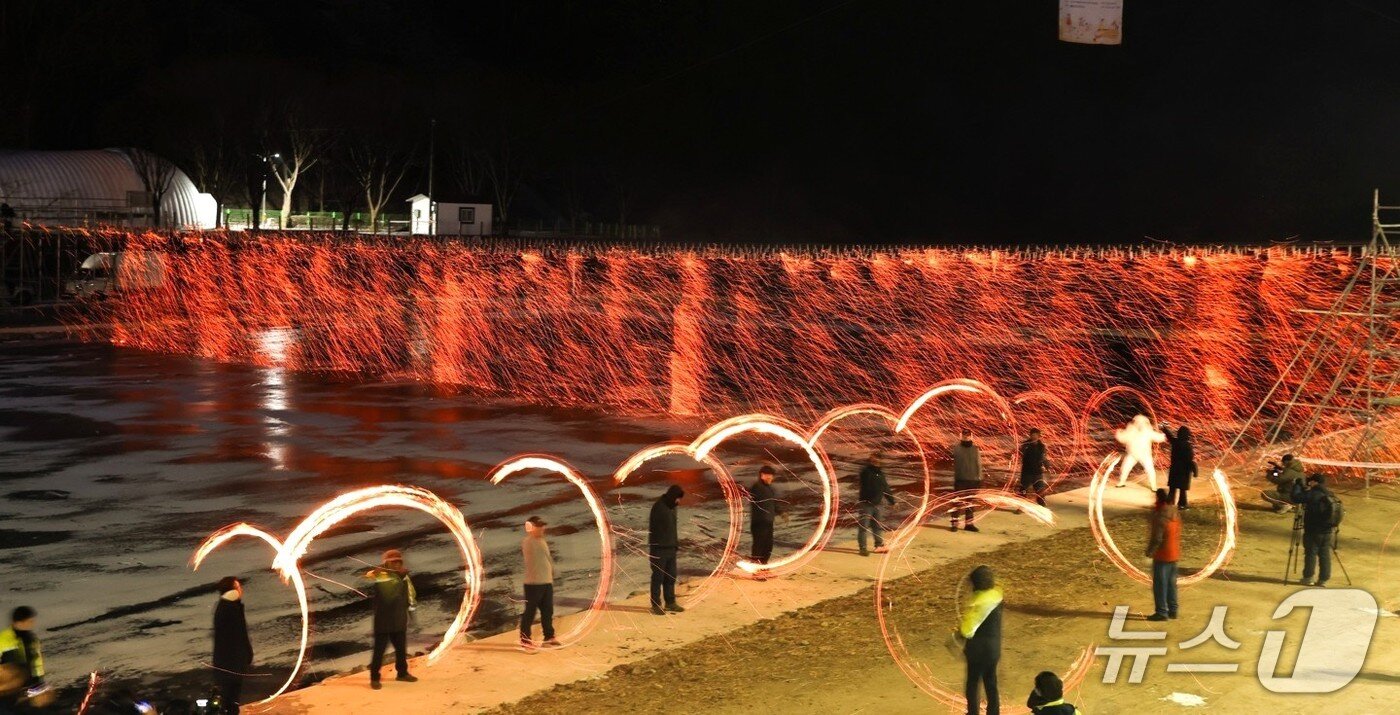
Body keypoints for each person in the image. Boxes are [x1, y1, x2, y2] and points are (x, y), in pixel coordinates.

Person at [363, 549, 418, 689]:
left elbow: (411, 597)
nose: (397, 564)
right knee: (379, 651)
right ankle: (374, 678)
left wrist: (412, 617)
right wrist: (377, 571)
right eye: (393, 562)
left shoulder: (405, 577)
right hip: (383, 621)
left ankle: (402, 673)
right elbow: (368, 576)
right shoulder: (381, 576)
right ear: (387, 563)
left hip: (399, 619)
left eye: (399, 561)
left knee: (401, 650)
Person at [955, 565, 1002, 715]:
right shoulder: (997, 596)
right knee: (991, 682)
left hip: (977, 651)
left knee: (973, 684)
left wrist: (959, 631)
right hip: (994, 649)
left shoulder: (978, 603)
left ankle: (973, 713)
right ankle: (994, 712)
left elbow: (968, 630)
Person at [211, 577, 253, 714]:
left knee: (231, 700)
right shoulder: (228, 609)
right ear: (233, 589)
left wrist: (247, 653)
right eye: (238, 586)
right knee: (230, 702)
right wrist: (245, 654)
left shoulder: (229, 606)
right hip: (229, 665)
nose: (241, 589)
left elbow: (239, 635)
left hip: (231, 664)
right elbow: (234, 638)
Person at [519, 516, 559, 650]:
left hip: (546, 582)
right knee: (530, 612)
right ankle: (525, 640)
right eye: (539, 526)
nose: (543, 528)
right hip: (533, 583)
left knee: (548, 611)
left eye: (543, 525)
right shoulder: (528, 542)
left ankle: (549, 637)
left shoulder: (541, 541)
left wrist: (552, 572)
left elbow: (546, 559)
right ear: (530, 528)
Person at [649, 484, 686, 615]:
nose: (678, 502)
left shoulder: (672, 508)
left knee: (670, 577)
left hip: (671, 548)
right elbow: (655, 530)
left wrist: (675, 545)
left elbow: (673, 528)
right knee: (658, 578)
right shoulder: (658, 508)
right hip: (659, 549)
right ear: (672, 497)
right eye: (677, 499)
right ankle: (656, 604)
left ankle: (670, 602)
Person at [1145, 488, 1181, 621]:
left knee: (1160, 584)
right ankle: (1173, 610)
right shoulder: (1174, 512)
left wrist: (1149, 552)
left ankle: (1161, 612)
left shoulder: (1160, 516)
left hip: (1162, 555)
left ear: (1158, 499)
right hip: (1174, 553)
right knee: (1171, 583)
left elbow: (1157, 539)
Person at [856, 451, 896, 556]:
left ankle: (879, 546)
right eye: (873, 459)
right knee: (864, 527)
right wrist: (870, 463)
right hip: (866, 504)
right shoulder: (866, 472)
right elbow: (865, 481)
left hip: (877, 504)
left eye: (877, 459)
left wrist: (892, 501)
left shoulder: (880, 474)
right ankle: (863, 548)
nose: (875, 461)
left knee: (877, 526)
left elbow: (885, 488)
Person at [1300, 473, 1336, 587]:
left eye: (1311, 481)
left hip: (1313, 530)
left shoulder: (1313, 494)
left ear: (1315, 482)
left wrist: (1297, 486)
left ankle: (1308, 578)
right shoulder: (1330, 494)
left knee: (1311, 553)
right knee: (1325, 554)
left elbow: (1295, 497)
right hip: (1327, 530)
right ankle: (1323, 580)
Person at [1115, 415, 1165, 489]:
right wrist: (1118, 434)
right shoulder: (1131, 430)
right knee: (1125, 467)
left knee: (1149, 469)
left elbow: (1157, 437)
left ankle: (1153, 485)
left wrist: (1162, 435)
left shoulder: (1147, 431)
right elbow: (1123, 438)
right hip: (1132, 454)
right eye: (1138, 422)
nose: (1140, 424)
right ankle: (1121, 482)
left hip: (1144, 455)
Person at [0, 607, 43, 692]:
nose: (32, 624)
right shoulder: (2, 638)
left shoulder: (32, 638)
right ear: (20, 622)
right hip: (9, 687)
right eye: (30, 621)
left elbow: (37, 661)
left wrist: (39, 680)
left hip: (29, 685)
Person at [749, 465, 782, 572]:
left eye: (771, 476)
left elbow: (772, 504)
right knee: (759, 546)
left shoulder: (769, 488)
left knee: (768, 547)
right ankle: (756, 570)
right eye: (767, 475)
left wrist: (781, 512)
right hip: (759, 523)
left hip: (768, 522)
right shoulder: (757, 487)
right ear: (761, 475)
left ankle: (764, 568)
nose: (769, 478)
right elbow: (753, 497)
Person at [951, 428, 983, 533]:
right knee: (958, 503)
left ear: (971, 436)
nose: (966, 437)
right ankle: (954, 524)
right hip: (960, 479)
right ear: (961, 436)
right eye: (964, 435)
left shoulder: (975, 449)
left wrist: (980, 479)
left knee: (970, 503)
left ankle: (969, 524)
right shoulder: (956, 449)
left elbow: (978, 464)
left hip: (973, 480)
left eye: (968, 435)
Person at [1162, 424, 1198, 510]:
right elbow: (1190, 460)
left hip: (1174, 470)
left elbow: (1169, 436)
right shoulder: (1188, 446)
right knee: (1182, 491)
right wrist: (1195, 470)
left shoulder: (1175, 442)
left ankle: (1169, 504)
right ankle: (1182, 505)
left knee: (1172, 490)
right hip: (1184, 472)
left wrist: (1164, 428)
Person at [1018, 429, 1049, 507]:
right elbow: (1020, 453)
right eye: (1032, 435)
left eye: (1036, 435)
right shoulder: (1025, 445)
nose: (1034, 437)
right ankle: (1021, 506)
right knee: (1023, 490)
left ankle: (1042, 505)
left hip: (1037, 472)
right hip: (1027, 472)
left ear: (1039, 436)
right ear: (1030, 435)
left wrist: (1047, 466)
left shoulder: (1042, 446)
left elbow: (1044, 457)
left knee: (1040, 490)